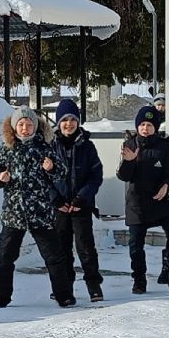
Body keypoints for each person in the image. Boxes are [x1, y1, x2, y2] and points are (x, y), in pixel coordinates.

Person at [0, 106, 75, 308]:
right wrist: (1, 178)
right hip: (13, 214)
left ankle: (64, 295)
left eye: (28, 124)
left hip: (40, 213)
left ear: (35, 126)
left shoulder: (44, 147)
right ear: (14, 127)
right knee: (4, 257)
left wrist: (51, 168)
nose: (25, 128)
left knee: (54, 257)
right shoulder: (6, 149)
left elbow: (61, 172)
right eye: (21, 124)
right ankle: (1, 296)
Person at [118, 104, 169, 293]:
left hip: (162, 201)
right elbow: (123, 176)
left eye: (150, 125)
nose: (145, 128)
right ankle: (139, 280)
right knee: (135, 246)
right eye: (142, 124)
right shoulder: (128, 146)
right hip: (137, 204)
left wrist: (166, 187)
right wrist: (129, 162)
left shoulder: (165, 147)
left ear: (156, 127)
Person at [49, 97, 105, 303]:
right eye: (64, 119)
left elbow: (95, 176)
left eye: (73, 119)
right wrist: (56, 200)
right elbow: (44, 178)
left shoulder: (88, 146)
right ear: (58, 122)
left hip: (81, 205)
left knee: (86, 247)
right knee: (62, 249)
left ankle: (93, 284)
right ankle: (64, 287)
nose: (69, 123)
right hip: (60, 208)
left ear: (78, 121)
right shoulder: (50, 146)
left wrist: (82, 198)